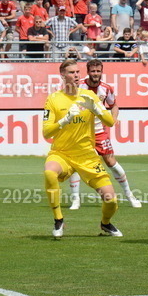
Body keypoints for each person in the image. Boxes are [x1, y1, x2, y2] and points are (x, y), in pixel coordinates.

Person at [42, 59, 122, 239]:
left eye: (78, 72)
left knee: (111, 200)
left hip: (87, 156)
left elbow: (110, 122)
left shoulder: (89, 96)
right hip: (61, 153)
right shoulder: (53, 99)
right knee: (49, 172)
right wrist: (64, 120)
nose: (76, 75)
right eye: (72, 72)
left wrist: (96, 109)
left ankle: (106, 223)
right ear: (63, 75)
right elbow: (46, 131)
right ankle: (58, 219)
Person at [79, 59, 141, 209]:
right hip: (81, 131)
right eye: (93, 71)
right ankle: (75, 199)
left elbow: (114, 106)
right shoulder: (78, 86)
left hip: (99, 130)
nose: (95, 74)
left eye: (98, 71)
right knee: (77, 162)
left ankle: (129, 195)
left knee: (110, 162)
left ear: (102, 71)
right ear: (88, 72)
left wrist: (113, 118)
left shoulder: (106, 88)